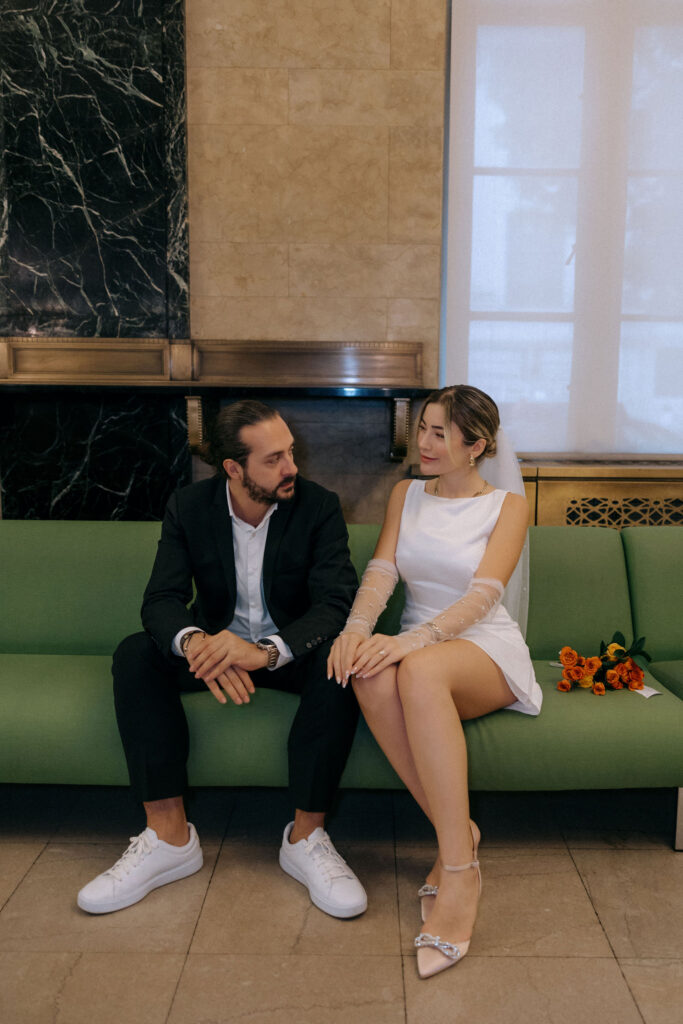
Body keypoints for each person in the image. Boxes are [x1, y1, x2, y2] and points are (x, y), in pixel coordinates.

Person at [78, 400, 367, 920]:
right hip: (215, 648)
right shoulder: (189, 506)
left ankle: (306, 838)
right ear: (234, 468)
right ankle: (168, 838)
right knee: (136, 655)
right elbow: (161, 600)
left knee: (339, 660)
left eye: (292, 453)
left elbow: (333, 603)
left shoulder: (319, 506)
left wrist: (261, 653)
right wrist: (197, 646)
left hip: (288, 653)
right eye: (274, 458)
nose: (292, 468)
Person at [328, 384, 542, 978]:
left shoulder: (506, 506)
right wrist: (357, 629)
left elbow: (483, 595)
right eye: (423, 427)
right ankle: (462, 833)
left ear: (477, 446)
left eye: (441, 432)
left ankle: (458, 872)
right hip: (419, 645)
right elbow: (382, 568)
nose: (423, 442)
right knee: (369, 677)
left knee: (412, 668)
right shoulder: (407, 493)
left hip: (481, 648)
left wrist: (406, 643)